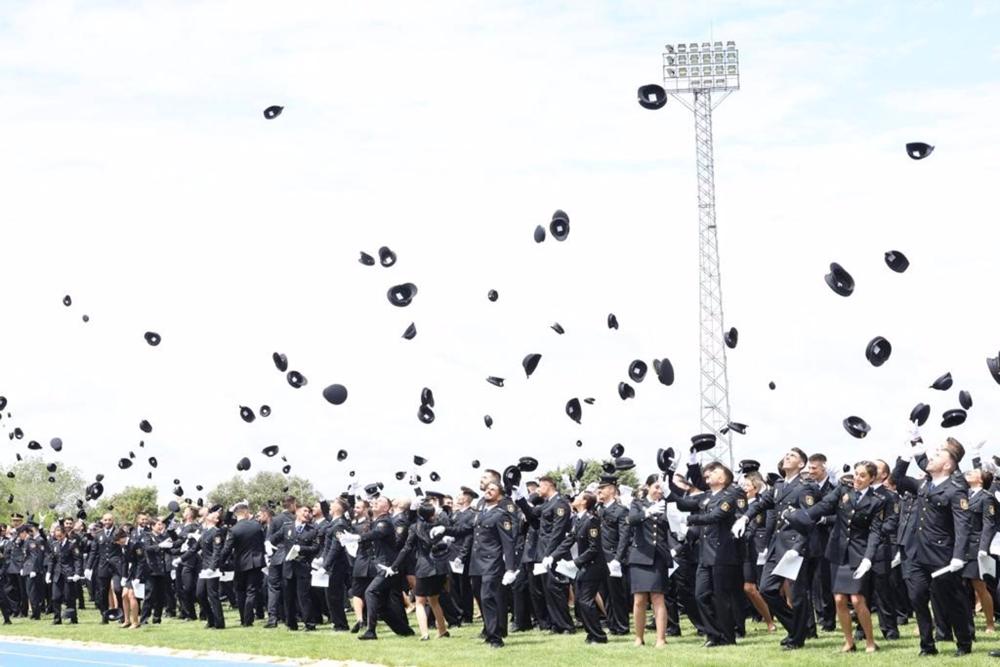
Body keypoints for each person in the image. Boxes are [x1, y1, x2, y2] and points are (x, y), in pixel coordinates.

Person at [892, 435, 973, 656]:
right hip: (917, 554)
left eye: (937, 455)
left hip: (942, 555)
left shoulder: (955, 489)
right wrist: (906, 455)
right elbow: (897, 478)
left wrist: (959, 556)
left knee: (951, 600)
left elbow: (963, 525)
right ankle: (927, 645)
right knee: (917, 598)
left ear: (947, 465)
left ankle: (964, 643)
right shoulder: (923, 485)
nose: (931, 457)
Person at [794, 461, 885, 653]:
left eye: (862, 476)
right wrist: (804, 516)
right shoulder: (844, 489)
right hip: (838, 552)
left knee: (857, 599)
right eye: (856, 473)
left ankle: (870, 641)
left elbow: (875, 532)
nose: (857, 478)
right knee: (839, 599)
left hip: (859, 553)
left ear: (871, 479)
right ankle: (849, 642)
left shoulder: (877, 501)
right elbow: (825, 505)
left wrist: (868, 558)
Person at [735, 448, 819, 651]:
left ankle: (796, 638)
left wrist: (798, 547)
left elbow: (809, 520)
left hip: (794, 545)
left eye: (793, 456)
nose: (787, 457)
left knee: (797, 595)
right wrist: (744, 518)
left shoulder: (805, 487)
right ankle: (797, 628)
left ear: (801, 464)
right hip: (777, 544)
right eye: (786, 455)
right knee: (767, 589)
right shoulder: (779, 486)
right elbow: (761, 504)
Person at [435, 480, 517, 648]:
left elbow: (508, 542)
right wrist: (445, 529)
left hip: (492, 562)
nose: (488, 491)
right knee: (481, 598)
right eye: (487, 489)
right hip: (477, 562)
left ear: (499, 496)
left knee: (488, 597)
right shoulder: (480, 513)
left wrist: (510, 568)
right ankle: (490, 631)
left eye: (493, 489)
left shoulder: (501, 515)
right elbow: (464, 530)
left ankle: (496, 638)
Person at [677, 461, 741, 647]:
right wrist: (667, 492)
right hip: (705, 554)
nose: (709, 474)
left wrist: (690, 519)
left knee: (721, 597)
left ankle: (727, 637)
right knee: (701, 595)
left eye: (714, 472)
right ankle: (713, 633)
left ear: (722, 478)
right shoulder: (705, 496)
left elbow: (715, 517)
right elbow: (683, 503)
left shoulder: (729, 496)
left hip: (722, 553)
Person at [387, 500, 451, 640]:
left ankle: (424, 633)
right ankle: (442, 630)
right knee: (434, 600)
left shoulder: (415, 527)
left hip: (424, 567)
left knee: (420, 602)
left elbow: (407, 548)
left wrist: (394, 566)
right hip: (440, 567)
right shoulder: (438, 525)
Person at [554, 491, 607, 644]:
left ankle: (598, 635)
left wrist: (575, 562)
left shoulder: (591, 520)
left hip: (594, 566)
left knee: (586, 600)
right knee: (581, 601)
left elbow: (593, 548)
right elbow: (569, 540)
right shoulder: (578, 519)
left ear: (584, 501)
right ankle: (591, 634)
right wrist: (552, 557)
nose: (574, 499)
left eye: (578, 497)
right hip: (584, 567)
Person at [626, 478, 672, 648]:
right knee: (639, 599)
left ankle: (661, 638)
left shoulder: (667, 505)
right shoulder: (638, 503)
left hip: (658, 556)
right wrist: (648, 512)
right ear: (648, 487)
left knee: (658, 597)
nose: (659, 491)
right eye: (656, 487)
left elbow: (672, 528)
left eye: (662, 488)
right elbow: (631, 520)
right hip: (640, 555)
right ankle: (639, 637)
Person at [269, 503, 320, 631]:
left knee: (304, 596)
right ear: (297, 512)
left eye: (308, 512)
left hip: (303, 566)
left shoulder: (312, 530)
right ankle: (291, 623)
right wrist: (268, 544)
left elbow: (315, 548)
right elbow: (273, 538)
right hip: (289, 567)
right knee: (288, 597)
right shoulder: (287, 527)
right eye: (304, 511)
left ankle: (309, 623)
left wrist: (301, 548)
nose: (306, 514)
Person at [738, 471, 776, 632]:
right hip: (737, 548)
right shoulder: (738, 504)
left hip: (754, 547)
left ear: (755, 488)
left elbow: (757, 524)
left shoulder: (759, 505)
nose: (744, 489)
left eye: (747, 485)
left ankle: (770, 620)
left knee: (753, 587)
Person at [219, 502, 266, 627]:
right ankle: (248, 619)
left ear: (236, 514)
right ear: (246, 512)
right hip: (256, 562)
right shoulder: (257, 526)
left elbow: (227, 549)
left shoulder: (234, 530)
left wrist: (219, 562)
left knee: (240, 591)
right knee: (251, 591)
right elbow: (262, 542)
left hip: (241, 563)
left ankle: (243, 619)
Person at [596, 477, 630, 635]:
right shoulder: (600, 509)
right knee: (605, 593)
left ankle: (622, 626)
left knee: (617, 594)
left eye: (602, 488)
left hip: (613, 556)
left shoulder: (621, 510)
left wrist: (618, 558)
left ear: (611, 490)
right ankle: (612, 624)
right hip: (601, 557)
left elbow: (624, 537)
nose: (599, 491)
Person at [48, 524, 83, 624]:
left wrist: (77, 573)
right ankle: (57, 618)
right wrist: (49, 573)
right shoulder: (54, 545)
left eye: (60, 536)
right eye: (56, 536)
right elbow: (52, 560)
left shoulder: (71, 544)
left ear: (64, 534)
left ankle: (73, 618)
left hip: (69, 573)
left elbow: (77, 560)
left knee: (69, 597)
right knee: (55, 597)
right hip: (57, 574)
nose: (58, 538)